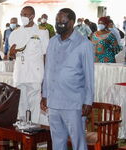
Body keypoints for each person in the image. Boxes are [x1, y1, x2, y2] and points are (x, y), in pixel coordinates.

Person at [40, 8, 94, 150]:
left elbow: (89, 76)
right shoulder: (52, 42)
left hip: (74, 103)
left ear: (71, 22)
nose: (58, 23)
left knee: (78, 143)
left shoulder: (84, 44)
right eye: (57, 20)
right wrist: (44, 94)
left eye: (62, 20)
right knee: (57, 141)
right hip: (54, 102)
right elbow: (48, 71)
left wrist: (88, 101)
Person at [8, 6, 49, 123]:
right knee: (20, 104)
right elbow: (10, 55)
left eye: (26, 15)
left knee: (35, 104)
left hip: (35, 74)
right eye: (21, 14)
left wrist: (46, 75)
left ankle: (34, 130)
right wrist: (10, 53)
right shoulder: (16, 33)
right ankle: (22, 130)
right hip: (20, 73)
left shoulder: (42, 31)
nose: (23, 17)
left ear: (32, 16)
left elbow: (46, 54)